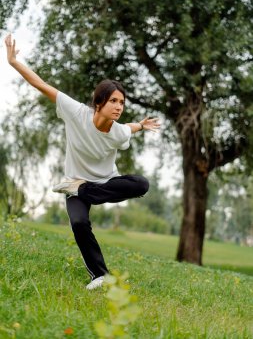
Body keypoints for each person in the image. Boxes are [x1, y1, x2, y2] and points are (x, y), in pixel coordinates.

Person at [5, 34, 161, 290]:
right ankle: (100, 275)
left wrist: (142, 125)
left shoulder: (118, 131)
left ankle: (80, 189)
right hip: (74, 182)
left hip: (102, 183)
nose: (119, 107)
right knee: (78, 222)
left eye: (122, 102)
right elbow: (41, 85)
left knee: (141, 184)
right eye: (113, 101)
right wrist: (13, 62)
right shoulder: (77, 113)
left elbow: (130, 128)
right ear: (99, 103)